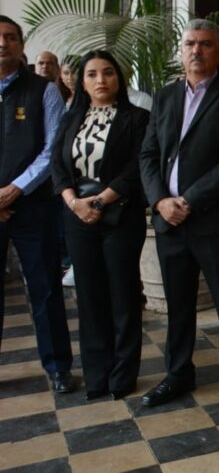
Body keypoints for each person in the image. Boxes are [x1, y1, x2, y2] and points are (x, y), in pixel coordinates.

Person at [139, 18, 219, 417]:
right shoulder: (165, 96)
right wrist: (160, 202)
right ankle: (177, 374)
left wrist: (187, 200)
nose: (196, 51)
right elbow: (148, 155)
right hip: (169, 222)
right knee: (179, 305)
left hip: (215, 222)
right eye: (190, 43)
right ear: (181, 50)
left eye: (205, 44)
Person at [51, 50, 149, 401]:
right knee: (90, 298)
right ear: (82, 81)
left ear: (119, 78)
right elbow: (58, 166)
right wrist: (73, 202)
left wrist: (100, 201)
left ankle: (122, 375)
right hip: (77, 215)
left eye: (108, 72)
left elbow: (137, 167)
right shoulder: (70, 117)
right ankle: (97, 374)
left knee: (122, 295)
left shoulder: (137, 118)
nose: (100, 80)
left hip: (119, 215)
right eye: (92, 74)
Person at [0, 15, 75, 392]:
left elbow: (53, 149)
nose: (3, 44)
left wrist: (14, 190)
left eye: (10, 38)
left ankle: (58, 366)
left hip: (32, 206)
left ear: (20, 44)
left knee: (45, 288)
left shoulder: (43, 90)